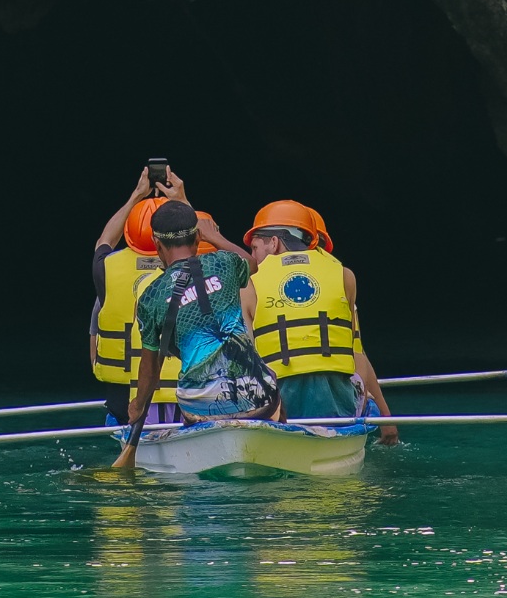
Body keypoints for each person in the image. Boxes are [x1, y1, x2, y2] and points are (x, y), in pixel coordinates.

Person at [113, 199, 277, 469]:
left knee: (193, 400)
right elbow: (251, 262)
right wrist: (214, 236)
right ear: (198, 237)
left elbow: (150, 369)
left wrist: (138, 405)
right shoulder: (224, 263)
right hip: (255, 396)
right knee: (270, 381)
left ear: (157, 243)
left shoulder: (151, 297)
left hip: (198, 405)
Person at [89, 166, 238, 422]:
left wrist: (137, 195)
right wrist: (182, 200)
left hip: (124, 397)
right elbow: (204, 241)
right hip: (190, 391)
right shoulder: (202, 267)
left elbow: (104, 240)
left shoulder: (107, 269)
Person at [244, 200, 396, 443]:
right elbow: (356, 354)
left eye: (254, 248)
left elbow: (248, 363)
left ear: (273, 243)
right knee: (358, 392)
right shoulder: (344, 275)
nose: (252, 256)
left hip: (282, 404)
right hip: (337, 401)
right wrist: (386, 419)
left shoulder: (248, 284)